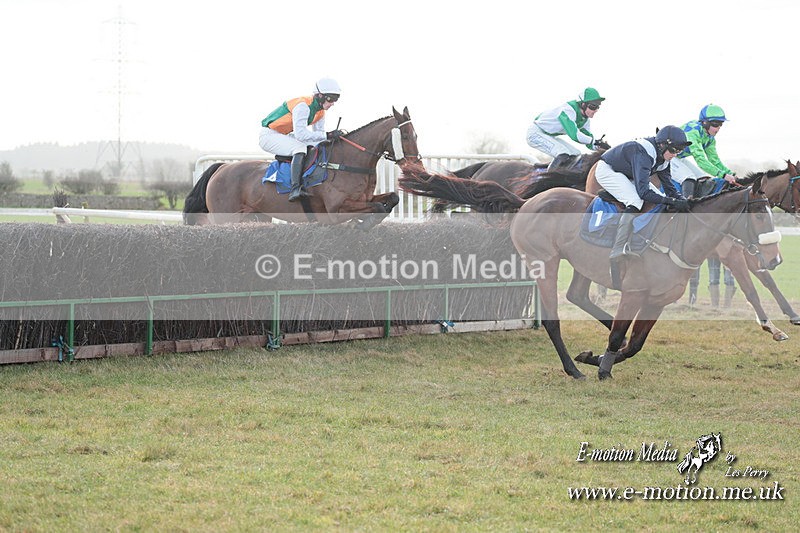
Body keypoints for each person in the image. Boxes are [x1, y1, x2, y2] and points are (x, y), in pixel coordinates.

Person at [671, 104, 738, 307]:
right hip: (669, 159)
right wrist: (722, 174)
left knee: (705, 179)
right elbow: (700, 159)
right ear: (705, 123)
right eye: (716, 124)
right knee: (692, 177)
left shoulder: (709, 136)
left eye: (720, 125)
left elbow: (714, 159)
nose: (718, 128)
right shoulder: (693, 130)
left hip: (682, 160)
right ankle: (684, 212)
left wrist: (730, 174)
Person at [594, 125, 692, 262]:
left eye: (679, 151)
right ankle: (618, 247)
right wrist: (672, 201)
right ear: (663, 145)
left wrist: (683, 200)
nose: (675, 155)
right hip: (608, 170)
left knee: (662, 198)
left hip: (628, 173)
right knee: (635, 201)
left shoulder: (663, 157)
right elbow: (643, 193)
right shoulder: (644, 153)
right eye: (674, 150)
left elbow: (669, 188)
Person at [258, 78, 344, 202]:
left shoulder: (320, 112)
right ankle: (295, 189)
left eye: (336, 99)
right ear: (320, 96)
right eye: (331, 99)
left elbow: (318, 135)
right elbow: (301, 135)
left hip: (284, 135)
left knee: (318, 144)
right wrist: (327, 135)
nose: (333, 103)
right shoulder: (303, 106)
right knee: (300, 147)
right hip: (269, 136)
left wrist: (331, 138)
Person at [526, 87, 607, 169]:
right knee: (563, 153)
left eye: (598, 107)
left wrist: (599, 147)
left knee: (576, 155)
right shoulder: (568, 110)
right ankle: (547, 181)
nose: (596, 110)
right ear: (583, 104)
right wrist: (595, 141)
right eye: (593, 106)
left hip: (549, 136)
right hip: (535, 134)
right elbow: (575, 136)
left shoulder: (585, 120)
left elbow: (588, 140)